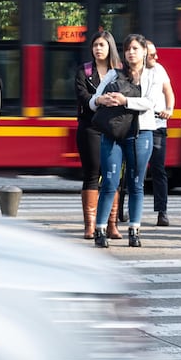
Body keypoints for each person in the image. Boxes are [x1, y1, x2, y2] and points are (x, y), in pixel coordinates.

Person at [89, 34, 163, 248]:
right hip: (112, 133)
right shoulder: (113, 73)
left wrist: (125, 100)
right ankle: (100, 230)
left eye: (135, 49)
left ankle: (134, 230)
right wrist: (101, 99)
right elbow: (93, 101)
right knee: (109, 182)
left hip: (141, 133)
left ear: (144, 52)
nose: (131, 53)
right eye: (128, 49)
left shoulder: (153, 75)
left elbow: (150, 102)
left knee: (136, 184)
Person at [75, 31, 121, 239]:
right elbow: (83, 97)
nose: (98, 49)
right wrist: (100, 100)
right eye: (95, 45)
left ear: (110, 47)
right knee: (92, 174)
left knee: (112, 176)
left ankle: (112, 224)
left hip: (114, 127)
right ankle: (90, 225)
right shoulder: (83, 71)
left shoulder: (119, 72)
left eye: (102, 45)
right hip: (89, 127)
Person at [144, 40, 174, 227]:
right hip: (138, 124)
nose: (156, 57)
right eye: (152, 54)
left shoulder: (159, 69)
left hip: (157, 124)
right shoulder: (130, 72)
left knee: (158, 169)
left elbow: (168, 91)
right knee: (133, 170)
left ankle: (162, 211)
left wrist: (169, 109)